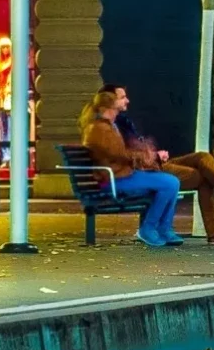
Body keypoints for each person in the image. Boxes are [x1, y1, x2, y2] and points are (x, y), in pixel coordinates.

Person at [108, 87, 214, 243]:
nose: (127, 100)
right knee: (204, 177)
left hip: (154, 163)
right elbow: (123, 157)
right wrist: (153, 156)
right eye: (123, 97)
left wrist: (155, 154)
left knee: (203, 157)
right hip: (147, 170)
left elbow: (136, 149)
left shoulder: (123, 121)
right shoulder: (110, 126)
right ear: (110, 100)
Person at [80, 88, 186, 247]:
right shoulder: (99, 129)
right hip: (114, 179)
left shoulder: (109, 126)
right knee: (169, 183)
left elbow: (121, 154)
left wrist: (145, 153)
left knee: (172, 182)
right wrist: (148, 155)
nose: (127, 101)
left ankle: (163, 228)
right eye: (123, 98)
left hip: (122, 174)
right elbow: (119, 154)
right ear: (111, 103)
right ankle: (149, 228)